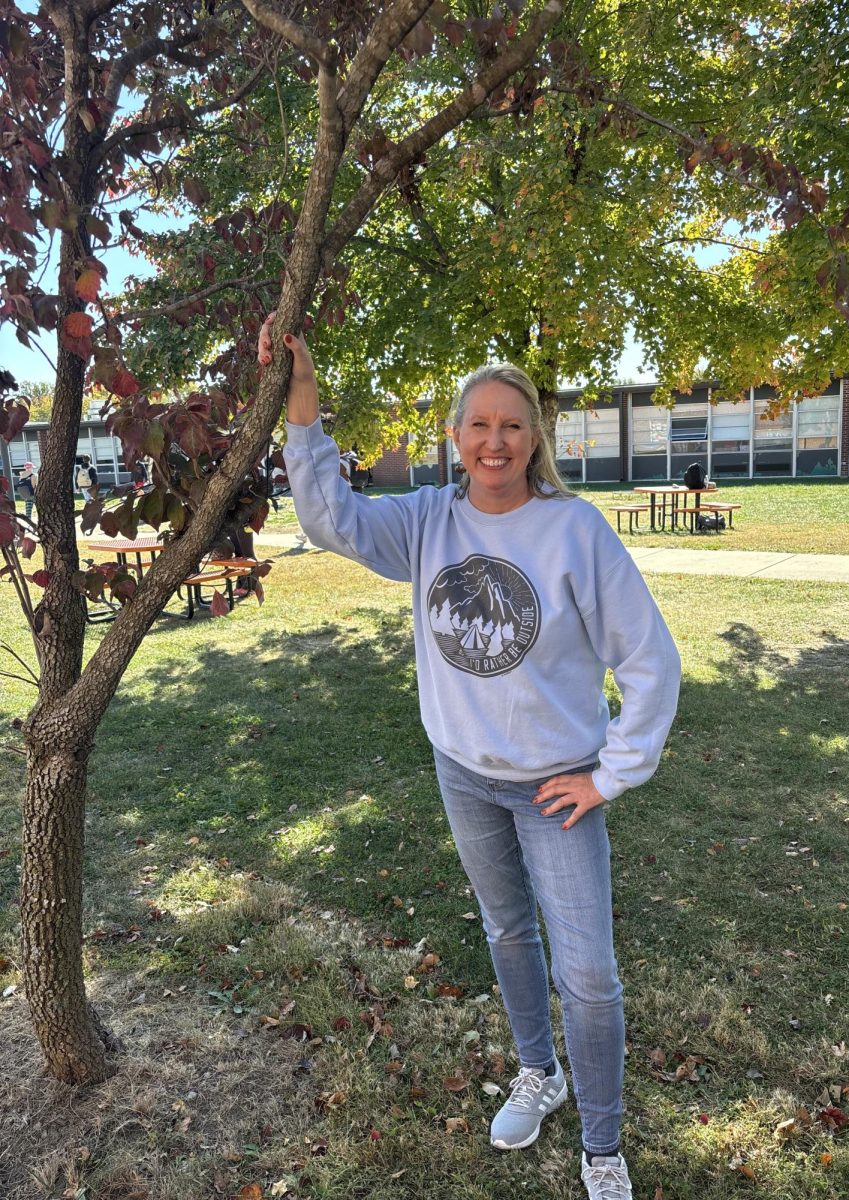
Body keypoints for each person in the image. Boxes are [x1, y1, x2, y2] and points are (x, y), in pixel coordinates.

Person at [259, 315, 681, 1200]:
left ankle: (601, 1145)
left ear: (535, 439)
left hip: (557, 789)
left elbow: (650, 659)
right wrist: (303, 400)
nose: (495, 441)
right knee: (505, 932)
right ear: (454, 436)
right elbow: (330, 517)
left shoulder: (575, 532)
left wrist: (610, 773)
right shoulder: (424, 520)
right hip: (465, 774)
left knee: (591, 975)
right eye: (479, 424)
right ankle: (542, 1072)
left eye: (512, 425)